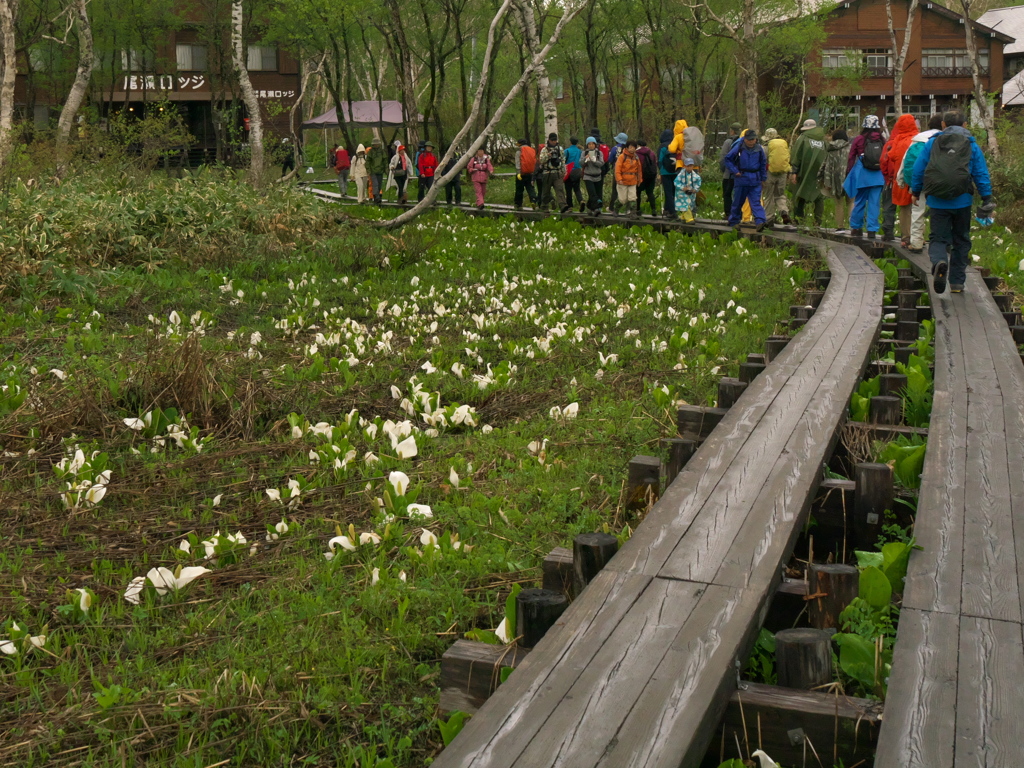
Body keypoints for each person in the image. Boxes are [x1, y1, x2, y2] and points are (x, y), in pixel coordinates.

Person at [911, 109, 993, 294]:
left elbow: (919, 168)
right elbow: (980, 173)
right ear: (965, 124)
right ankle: (957, 283)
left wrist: (916, 191)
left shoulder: (932, 143)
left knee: (938, 238)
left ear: (943, 124)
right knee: (961, 240)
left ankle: (939, 261)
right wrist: (986, 197)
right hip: (962, 200)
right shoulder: (971, 144)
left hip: (937, 201)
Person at [899, 114, 943, 252]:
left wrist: (901, 179)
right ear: (944, 124)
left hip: (919, 182)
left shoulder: (918, 139)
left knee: (917, 212)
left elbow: (906, 160)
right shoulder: (946, 138)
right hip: (940, 182)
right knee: (941, 212)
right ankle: (942, 243)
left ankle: (916, 243)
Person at [843, 115, 886, 239]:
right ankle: (872, 230)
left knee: (860, 201)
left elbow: (851, 157)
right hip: (878, 176)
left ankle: (856, 228)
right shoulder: (882, 139)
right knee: (874, 203)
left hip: (862, 176)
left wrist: (849, 172)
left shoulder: (859, 139)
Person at [879, 113, 920, 243]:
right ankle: (918, 237)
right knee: (918, 209)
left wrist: (887, 177)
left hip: (900, 179)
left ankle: (905, 236)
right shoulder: (919, 140)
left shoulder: (896, 141)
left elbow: (888, 158)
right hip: (918, 179)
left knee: (903, 208)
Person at [724, 129, 768, 231]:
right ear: (745, 139)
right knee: (738, 201)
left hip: (755, 179)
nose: (751, 142)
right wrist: (735, 171)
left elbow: (763, 163)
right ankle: (734, 221)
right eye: (749, 140)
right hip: (741, 178)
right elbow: (728, 159)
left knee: (756, 202)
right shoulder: (739, 147)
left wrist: (763, 178)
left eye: (753, 139)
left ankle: (760, 222)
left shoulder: (759, 149)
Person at [789, 118, 827, 226]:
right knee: (819, 196)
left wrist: (794, 172)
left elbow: (797, 155)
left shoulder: (803, 138)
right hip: (820, 172)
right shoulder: (823, 140)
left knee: (800, 193)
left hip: (804, 171)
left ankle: (799, 220)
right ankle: (818, 221)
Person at [818, 128, 851, 232]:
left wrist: (824, 180)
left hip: (836, 179)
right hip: (849, 177)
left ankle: (840, 227)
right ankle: (853, 227)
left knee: (838, 203)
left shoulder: (831, 149)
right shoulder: (850, 148)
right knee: (851, 202)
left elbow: (826, 166)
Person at [760, 128, 792, 227]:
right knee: (780, 194)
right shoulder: (783, 145)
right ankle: (784, 211)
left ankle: (769, 218)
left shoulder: (765, 147)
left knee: (769, 196)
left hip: (769, 173)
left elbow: (763, 161)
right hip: (782, 173)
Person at [537, 132, 569, 213]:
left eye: (555, 140)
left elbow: (563, 160)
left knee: (560, 189)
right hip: (547, 173)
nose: (554, 142)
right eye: (552, 140)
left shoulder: (560, 149)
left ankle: (563, 205)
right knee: (546, 191)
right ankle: (544, 206)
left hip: (557, 172)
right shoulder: (544, 149)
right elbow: (541, 160)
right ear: (549, 140)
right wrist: (548, 155)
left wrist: (563, 170)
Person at [614, 140, 643, 218]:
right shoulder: (622, 157)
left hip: (633, 180)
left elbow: (639, 170)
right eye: (630, 147)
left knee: (632, 198)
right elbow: (617, 168)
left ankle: (633, 213)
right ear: (627, 148)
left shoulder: (636, 157)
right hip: (623, 181)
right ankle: (616, 209)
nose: (632, 149)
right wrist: (619, 179)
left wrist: (639, 179)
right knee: (622, 199)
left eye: (633, 147)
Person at [718, 122, 742, 218]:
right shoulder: (743, 141)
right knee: (738, 195)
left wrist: (723, 169)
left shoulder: (728, 142)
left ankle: (728, 214)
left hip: (729, 174)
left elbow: (723, 158)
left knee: (727, 194)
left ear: (732, 131)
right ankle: (739, 213)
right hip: (740, 173)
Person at [674, 157, 702, 223]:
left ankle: (683, 217)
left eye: (691, 166)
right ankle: (689, 219)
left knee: (689, 205)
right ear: (685, 166)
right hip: (681, 193)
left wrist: (695, 189)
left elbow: (698, 183)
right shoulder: (681, 174)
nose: (689, 167)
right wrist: (682, 187)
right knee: (685, 205)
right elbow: (676, 182)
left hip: (691, 193)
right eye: (688, 166)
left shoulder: (695, 176)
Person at [582, 137, 605, 214]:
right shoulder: (584, 153)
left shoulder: (599, 153)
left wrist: (595, 161)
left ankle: (591, 207)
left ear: (595, 145)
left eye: (592, 144)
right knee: (592, 192)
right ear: (587, 145)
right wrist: (585, 160)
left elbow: (601, 164)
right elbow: (580, 163)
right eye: (589, 144)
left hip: (597, 176)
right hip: (588, 176)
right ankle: (597, 206)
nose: (591, 146)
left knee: (598, 192)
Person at [636, 140, 659, 216]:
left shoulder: (636, 153)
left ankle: (638, 209)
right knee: (650, 193)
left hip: (641, 176)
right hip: (651, 175)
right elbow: (655, 163)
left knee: (637, 192)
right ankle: (653, 209)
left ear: (638, 145)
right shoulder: (651, 153)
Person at [514, 138, 539, 209]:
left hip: (521, 173)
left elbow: (517, 162)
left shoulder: (519, 151)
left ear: (520, 144)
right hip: (530, 173)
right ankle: (533, 200)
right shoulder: (532, 150)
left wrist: (518, 172)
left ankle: (518, 205)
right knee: (530, 188)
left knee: (519, 189)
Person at [659, 128, 678, 218]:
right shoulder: (675, 144)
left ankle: (672, 212)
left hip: (665, 172)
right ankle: (667, 209)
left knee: (668, 192)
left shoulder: (662, 146)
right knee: (673, 192)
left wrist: (660, 170)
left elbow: (660, 160)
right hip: (675, 171)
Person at [607, 132, 628, 213]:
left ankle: (612, 207)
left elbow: (610, 159)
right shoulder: (628, 149)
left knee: (615, 189)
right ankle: (628, 209)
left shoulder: (614, 148)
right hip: (627, 172)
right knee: (626, 189)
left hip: (617, 171)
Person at [564, 137, 585, 211]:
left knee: (568, 189)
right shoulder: (579, 151)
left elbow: (563, 160)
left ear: (570, 142)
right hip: (577, 171)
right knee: (577, 188)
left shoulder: (567, 151)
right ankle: (581, 200)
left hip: (569, 171)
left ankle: (569, 206)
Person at [366, 138, 388, 205]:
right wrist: (368, 170)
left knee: (379, 185)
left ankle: (377, 197)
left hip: (380, 171)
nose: (376, 145)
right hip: (373, 171)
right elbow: (368, 162)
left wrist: (386, 169)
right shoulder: (370, 152)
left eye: (377, 144)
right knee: (375, 184)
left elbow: (385, 161)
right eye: (375, 144)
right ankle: (377, 197)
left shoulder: (382, 152)